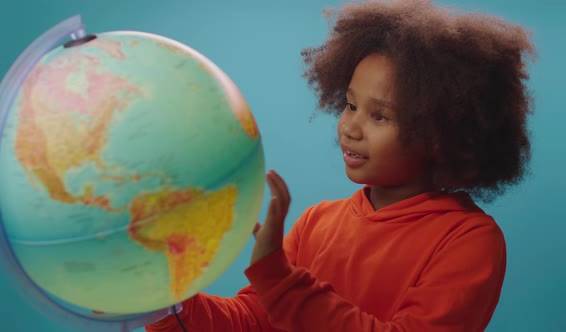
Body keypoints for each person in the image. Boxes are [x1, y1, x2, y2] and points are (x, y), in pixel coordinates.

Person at [146, 0, 536, 331]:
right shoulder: (316, 223)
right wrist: (164, 298)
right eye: (350, 105)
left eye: (380, 116)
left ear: (443, 136)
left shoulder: (469, 240)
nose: (350, 127)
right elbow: (252, 320)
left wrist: (278, 277)